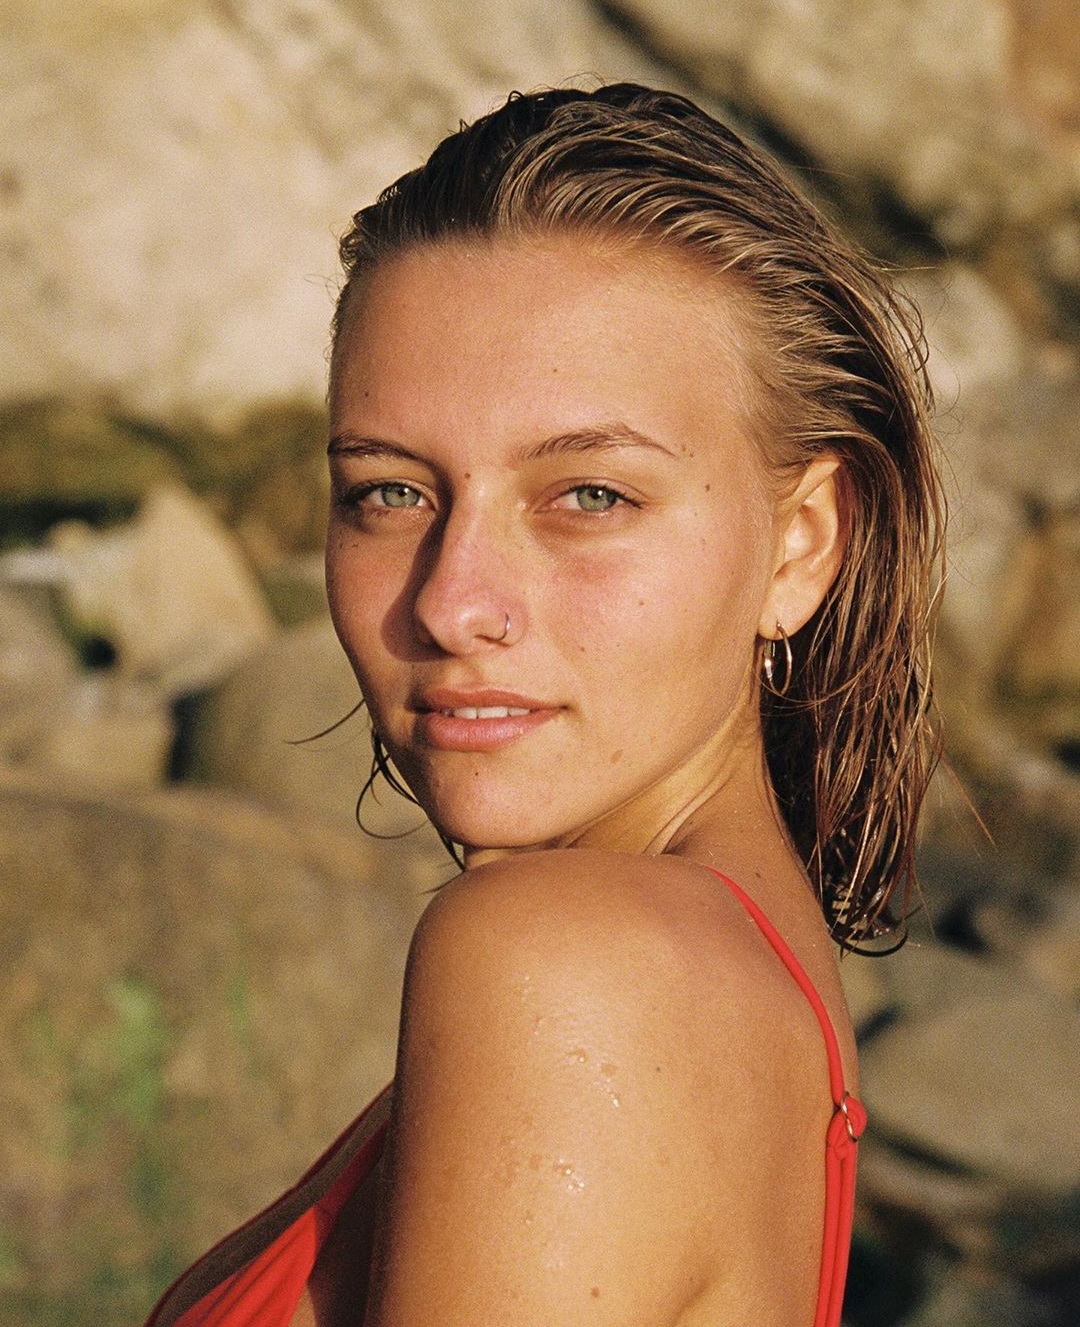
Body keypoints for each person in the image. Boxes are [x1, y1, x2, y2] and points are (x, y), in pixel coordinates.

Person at [146, 82, 943, 1326]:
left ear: (799, 545)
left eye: (590, 497)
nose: (454, 604)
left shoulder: (567, 963)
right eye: (391, 494)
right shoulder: (745, 977)